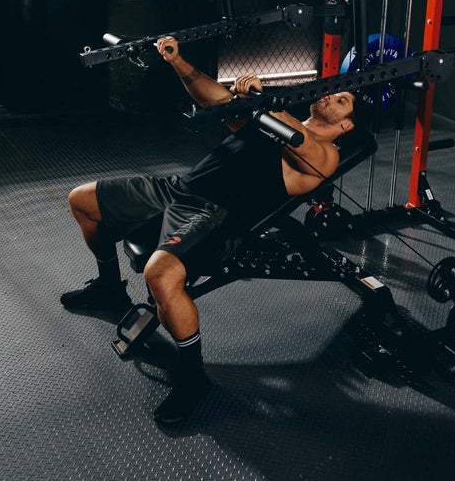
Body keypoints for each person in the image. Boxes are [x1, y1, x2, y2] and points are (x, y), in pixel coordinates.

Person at [62, 35, 358, 425]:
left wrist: (265, 102)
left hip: (214, 215)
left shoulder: (326, 155)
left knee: (160, 275)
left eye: (342, 100)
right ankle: (109, 287)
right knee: (81, 200)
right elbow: (214, 99)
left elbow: (303, 147)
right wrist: (178, 61)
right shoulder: (268, 122)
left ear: (347, 124)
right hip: (179, 189)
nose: (331, 96)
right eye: (333, 92)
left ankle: (193, 377)